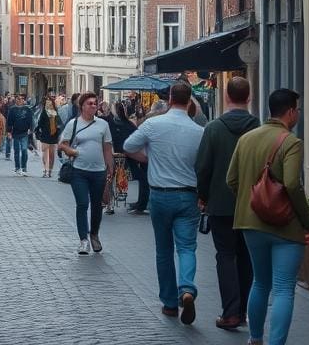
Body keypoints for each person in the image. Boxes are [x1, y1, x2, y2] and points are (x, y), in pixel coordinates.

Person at [226, 88, 309, 345]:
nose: (297, 114)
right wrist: (308, 222)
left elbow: (231, 180)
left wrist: (253, 200)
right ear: (290, 112)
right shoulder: (291, 142)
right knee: (284, 287)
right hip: (285, 227)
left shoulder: (247, 139)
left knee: (260, 282)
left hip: (250, 222)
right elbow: (292, 185)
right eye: (297, 109)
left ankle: (255, 338)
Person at [124, 82, 204, 325]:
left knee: (164, 250)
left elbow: (128, 147)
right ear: (190, 101)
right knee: (187, 247)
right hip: (187, 194)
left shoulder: (153, 124)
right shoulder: (199, 131)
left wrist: (149, 159)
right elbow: (203, 164)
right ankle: (187, 289)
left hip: (160, 194)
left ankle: (169, 303)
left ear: (170, 99)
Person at [195, 76, 260, 331]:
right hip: (253, 205)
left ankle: (230, 312)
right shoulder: (259, 128)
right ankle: (243, 311)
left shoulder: (213, 128)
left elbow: (202, 167)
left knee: (225, 256)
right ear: (249, 97)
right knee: (247, 258)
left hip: (221, 204)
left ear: (226, 97)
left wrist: (204, 195)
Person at [58, 93, 114, 255]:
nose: (93, 106)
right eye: (89, 103)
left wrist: (110, 167)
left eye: (95, 103)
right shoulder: (73, 124)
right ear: (81, 106)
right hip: (79, 171)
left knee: (97, 205)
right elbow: (62, 145)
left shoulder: (103, 124)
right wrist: (73, 151)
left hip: (99, 171)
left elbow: (107, 148)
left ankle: (94, 235)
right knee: (82, 204)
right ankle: (83, 240)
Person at [106, 100, 138, 215]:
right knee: (113, 179)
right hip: (122, 156)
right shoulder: (128, 124)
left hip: (117, 156)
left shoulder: (109, 123)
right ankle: (111, 202)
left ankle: (110, 203)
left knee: (112, 179)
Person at [35, 92, 62, 178]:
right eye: (47, 103)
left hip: (53, 135)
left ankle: (50, 170)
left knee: (51, 154)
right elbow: (40, 123)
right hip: (45, 134)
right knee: (45, 153)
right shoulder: (44, 112)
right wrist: (38, 129)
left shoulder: (55, 112)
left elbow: (60, 123)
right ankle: (45, 169)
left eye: (50, 102)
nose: (48, 104)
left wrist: (58, 128)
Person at [6, 94, 33, 176]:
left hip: (24, 133)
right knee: (17, 151)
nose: (20, 100)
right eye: (18, 99)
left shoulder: (27, 109)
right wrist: (9, 132)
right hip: (15, 133)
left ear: (24, 100)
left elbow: (30, 120)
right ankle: (17, 168)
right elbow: (9, 121)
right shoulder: (12, 109)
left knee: (24, 150)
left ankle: (24, 168)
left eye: (22, 99)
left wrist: (30, 129)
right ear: (16, 100)